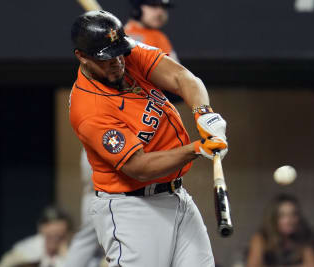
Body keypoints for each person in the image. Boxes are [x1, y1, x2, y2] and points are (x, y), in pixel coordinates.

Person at [69, 10, 228, 267]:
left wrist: (204, 114)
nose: (117, 62)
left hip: (176, 195)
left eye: (118, 52)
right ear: (82, 57)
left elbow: (182, 77)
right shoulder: (88, 109)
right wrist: (197, 148)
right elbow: (139, 167)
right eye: (107, 58)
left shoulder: (127, 54)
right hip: (131, 209)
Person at [76, 0, 178, 61]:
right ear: (137, 8)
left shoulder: (117, 34)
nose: (160, 12)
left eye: (163, 8)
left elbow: (175, 74)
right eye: (153, 6)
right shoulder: (118, 34)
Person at [246, 194, 314, 267]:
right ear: (273, 218)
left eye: (293, 214)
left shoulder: (305, 236)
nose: (289, 220)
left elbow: (312, 265)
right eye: (282, 215)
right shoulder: (261, 238)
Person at [0, 206, 72, 267]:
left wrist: (66, 257)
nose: (54, 240)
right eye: (50, 236)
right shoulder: (24, 252)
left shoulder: (72, 253)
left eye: (59, 236)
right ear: (41, 229)